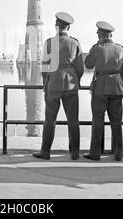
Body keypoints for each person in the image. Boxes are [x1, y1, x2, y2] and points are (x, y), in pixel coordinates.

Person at [33, 12, 84, 160]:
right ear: (68, 27)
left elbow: (44, 66)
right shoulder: (75, 43)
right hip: (70, 85)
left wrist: (45, 83)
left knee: (50, 120)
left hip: (53, 84)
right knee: (73, 120)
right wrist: (75, 80)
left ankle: (45, 152)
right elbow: (80, 68)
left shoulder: (49, 43)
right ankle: (74, 153)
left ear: (56, 26)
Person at [84, 21, 123, 161]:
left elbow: (88, 64)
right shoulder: (121, 49)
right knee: (116, 122)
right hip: (117, 88)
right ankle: (118, 154)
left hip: (100, 89)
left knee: (97, 121)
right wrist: (116, 82)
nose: (97, 35)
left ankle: (95, 154)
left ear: (101, 35)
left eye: (98, 33)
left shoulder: (97, 48)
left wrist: (93, 50)